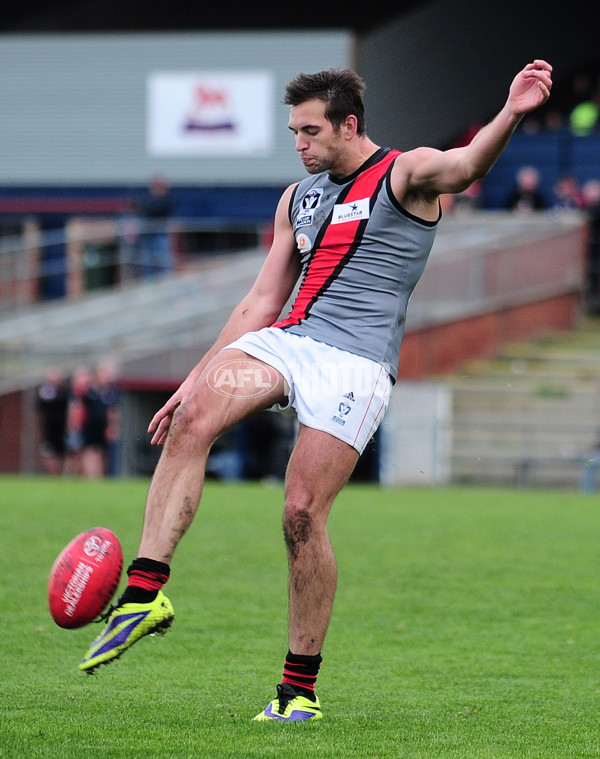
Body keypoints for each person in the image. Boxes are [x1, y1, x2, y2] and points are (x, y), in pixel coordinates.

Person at [79, 60, 553, 720]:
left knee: (301, 512)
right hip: (293, 341)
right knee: (194, 415)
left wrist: (511, 112)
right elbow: (261, 300)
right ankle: (144, 590)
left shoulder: (404, 173)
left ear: (347, 124)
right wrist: (198, 373)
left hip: (355, 366)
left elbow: (468, 165)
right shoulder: (296, 198)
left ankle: (298, 689)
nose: (298, 145)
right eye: (293, 132)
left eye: (308, 132)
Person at [137, 175, 174, 278]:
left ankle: (168, 281)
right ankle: (148, 282)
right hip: (147, 234)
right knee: (147, 262)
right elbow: (143, 210)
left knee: (164, 261)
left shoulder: (166, 199)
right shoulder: (147, 198)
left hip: (159, 234)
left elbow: (158, 209)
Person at [35, 367, 70, 475]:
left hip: (63, 428)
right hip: (49, 429)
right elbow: (40, 409)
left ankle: (61, 474)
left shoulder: (65, 391)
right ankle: (53, 474)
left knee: (63, 452)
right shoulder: (45, 391)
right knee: (49, 452)